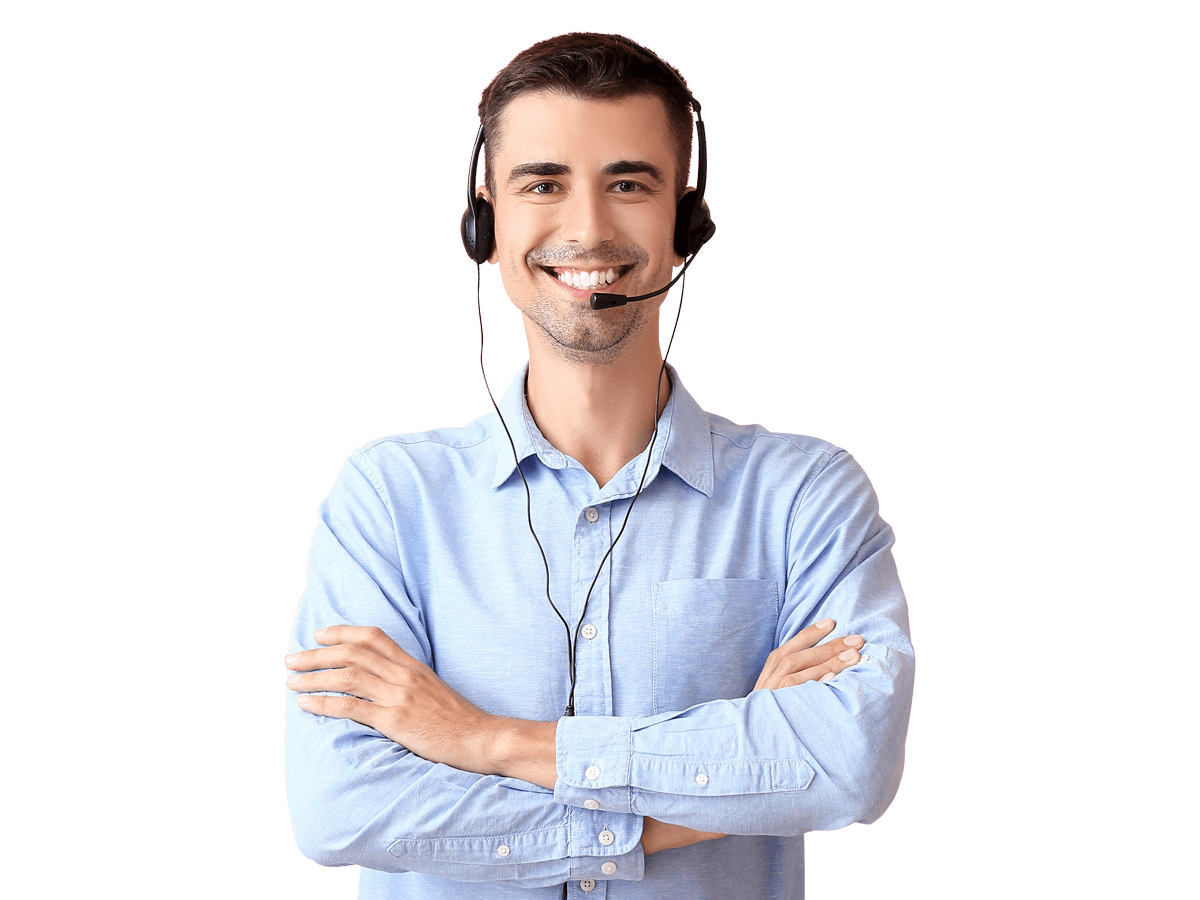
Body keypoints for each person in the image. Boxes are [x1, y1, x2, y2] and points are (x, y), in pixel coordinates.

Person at [284, 32, 914, 900]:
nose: (586, 228)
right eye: (544, 184)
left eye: (628, 183)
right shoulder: (389, 498)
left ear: (686, 226)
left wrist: (481, 740)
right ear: (486, 224)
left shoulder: (805, 496)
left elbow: (847, 769)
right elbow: (340, 811)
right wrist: (736, 771)